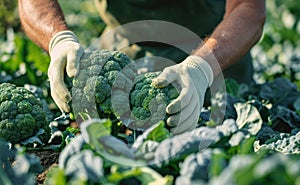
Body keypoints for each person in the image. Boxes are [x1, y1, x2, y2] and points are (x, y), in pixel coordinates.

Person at [18, 0, 266, 134]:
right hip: (123, 46)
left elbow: (249, 7)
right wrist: (59, 40)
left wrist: (201, 68)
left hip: (215, 54)